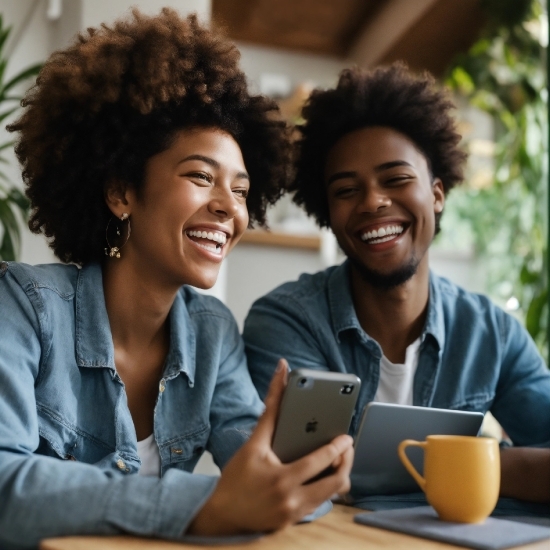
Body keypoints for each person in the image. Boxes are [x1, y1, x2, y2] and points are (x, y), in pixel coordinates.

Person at [0, 9, 354, 549]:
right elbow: (6, 489)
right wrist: (206, 505)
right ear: (122, 193)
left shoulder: (212, 333)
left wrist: (301, 469)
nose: (227, 208)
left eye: (240, 191)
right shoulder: (25, 306)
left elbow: (257, 466)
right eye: (200, 177)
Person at [243, 63, 550, 508]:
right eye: (346, 190)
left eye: (397, 179)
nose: (372, 201)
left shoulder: (492, 334)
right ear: (328, 213)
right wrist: (471, 464)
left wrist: (481, 464)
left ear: (438, 193)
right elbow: (308, 479)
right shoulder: (287, 321)